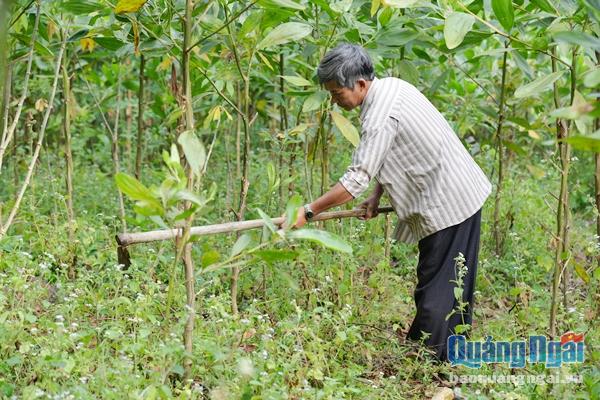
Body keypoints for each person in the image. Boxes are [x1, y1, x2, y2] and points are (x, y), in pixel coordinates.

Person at [292, 43, 492, 361]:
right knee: (452, 281)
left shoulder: (378, 117)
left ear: (359, 84)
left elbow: (355, 179)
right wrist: (377, 195)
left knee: (437, 289)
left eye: (336, 93)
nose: (334, 100)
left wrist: (309, 210)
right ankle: (445, 352)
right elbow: (398, 152)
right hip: (457, 191)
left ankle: (431, 363)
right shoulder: (393, 87)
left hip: (449, 201)